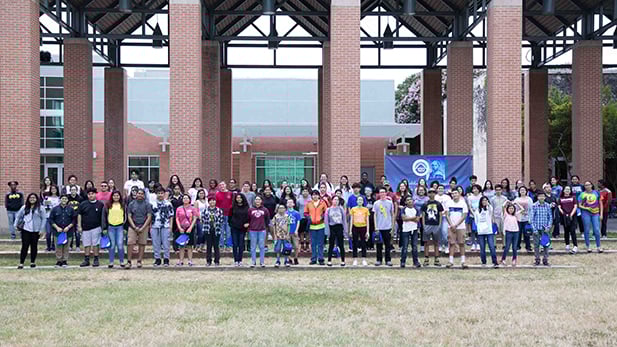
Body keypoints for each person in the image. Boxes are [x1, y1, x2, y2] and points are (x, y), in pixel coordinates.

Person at [14, 193, 46, 269]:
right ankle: (21, 263)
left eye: (34, 197)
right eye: (30, 197)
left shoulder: (40, 208)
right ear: (28, 199)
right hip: (26, 229)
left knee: (34, 246)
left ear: (37, 199)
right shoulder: (24, 207)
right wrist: (15, 225)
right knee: (24, 246)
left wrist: (42, 229)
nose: (32, 199)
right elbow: (18, 216)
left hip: (36, 230)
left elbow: (44, 219)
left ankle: (32, 262)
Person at [76, 188, 104, 267]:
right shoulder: (83, 204)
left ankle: (96, 259)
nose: (91, 195)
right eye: (89, 194)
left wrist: (103, 227)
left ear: (95, 194)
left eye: (92, 193)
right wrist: (79, 226)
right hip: (85, 228)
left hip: (96, 227)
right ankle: (86, 259)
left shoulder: (100, 204)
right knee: (86, 244)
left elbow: (103, 217)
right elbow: (79, 215)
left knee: (96, 244)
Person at [126, 189, 152, 269]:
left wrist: (143, 227)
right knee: (130, 243)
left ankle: (139, 261)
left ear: (144, 195)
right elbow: (129, 216)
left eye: (141, 194)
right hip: (133, 226)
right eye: (138, 193)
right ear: (136, 194)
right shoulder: (131, 204)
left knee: (142, 244)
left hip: (143, 226)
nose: (140, 195)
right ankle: (129, 261)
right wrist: (134, 227)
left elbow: (149, 217)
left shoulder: (147, 204)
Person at [49, 194, 75, 268]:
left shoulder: (71, 209)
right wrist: (57, 227)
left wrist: (68, 227)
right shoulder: (55, 209)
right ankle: (58, 261)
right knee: (58, 247)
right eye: (62, 199)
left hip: (68, 231)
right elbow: (51, 219)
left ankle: (64, 261)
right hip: (57, 231)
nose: (64, 200)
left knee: (66, 247)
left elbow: (74, 220)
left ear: (67, 200)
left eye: (65, 199)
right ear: (60, 200)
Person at [150, 187, 174, 267]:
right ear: (156, 194)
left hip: (165, 226)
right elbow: (150, 216)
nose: (160, 195)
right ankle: (157, 259)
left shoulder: (168, 204)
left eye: (161, 193)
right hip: (154, 226)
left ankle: (166, 259)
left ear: (164, 194)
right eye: (158, 193)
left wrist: (170, 226)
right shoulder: (152, 204)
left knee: (166, 243)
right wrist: (150, 226)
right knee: (156, 243)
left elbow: (171, 216)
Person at [446, 188, 469, 269]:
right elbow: (447, 215)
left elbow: (464, 216)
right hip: (451, 227)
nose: (454, 195)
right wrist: (452, 225)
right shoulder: (448, 203)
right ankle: (450, 261)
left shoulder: (463, 203)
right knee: (451, 244)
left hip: (461, 227)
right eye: (453, 193)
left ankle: (463, 261)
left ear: (459, 194)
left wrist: (456, 225)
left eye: (456, 193)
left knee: (461, 243)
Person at [304, 189, 328, 265]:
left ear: (319, 196)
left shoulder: (323, 203)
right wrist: (309, 218)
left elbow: (326, 212)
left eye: (316, 195)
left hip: (321, 225)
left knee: (320, 243)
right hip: (312, 226)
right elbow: (305, 213)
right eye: (313, 195)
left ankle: (321, 258)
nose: (315, 196)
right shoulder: (308, 203)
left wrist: (322, 217)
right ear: (311, 196)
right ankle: (313, 258)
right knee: (313, 243)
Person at [579, 181, 603, 253]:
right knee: (587, 229)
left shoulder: (597, 193)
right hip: (586, 213)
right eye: (586, 185)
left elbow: (600, 204)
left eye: (589, 185)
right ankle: (588, 246)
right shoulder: (582, 194)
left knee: (597, 230)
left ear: (592, 185)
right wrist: (587, 208)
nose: (587, 186)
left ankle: (598, 246)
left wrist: (601, 214)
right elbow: (579, 205)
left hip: (595, 213)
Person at [530, 191, 553, 266]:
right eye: (540, 196)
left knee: (546, 244)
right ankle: (537, 259)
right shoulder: (534, 206)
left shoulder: (547, 206)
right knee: (536, 245)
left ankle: (545, 260)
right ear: (537, 197)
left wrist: (548, 227)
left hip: (545, 229)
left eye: (543, 196)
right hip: (536, 228)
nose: (541, 197)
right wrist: (534, 229)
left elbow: (550, 217)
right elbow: (531, 219)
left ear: (545, 197)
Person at [373, 187, 395, 266]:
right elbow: (375, 215)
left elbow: (392, 214)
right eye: (380, 192)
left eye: (383, 192)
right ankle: (379, 260)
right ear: (379, 194)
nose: (382, 194)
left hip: (387, 227)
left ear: (386, 193)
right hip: (379, 227)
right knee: (379, 245)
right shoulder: (376, 203)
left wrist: (392, 226)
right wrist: (376, 226)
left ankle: (388, 260)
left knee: (387, 245)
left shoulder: (390, 203)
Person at [421, 189, 443, 267]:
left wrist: (439, 225)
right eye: (430, 192)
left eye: (433, 192)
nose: (431, 194)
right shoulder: (425, 204)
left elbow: (440, 215)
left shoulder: (438, 204)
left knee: (436, 242)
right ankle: (426, 259)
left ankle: (436, 259)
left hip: (436, 224)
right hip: (427, 224)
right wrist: (423, 225)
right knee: (426, 243)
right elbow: (423, 216)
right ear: (428, 194)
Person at [175, 194, 199, 266]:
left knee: (189, 246)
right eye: (184, 198)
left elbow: (195, 218)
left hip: (190, 228)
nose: (185, 199)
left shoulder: (192, 208)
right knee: (181, 246)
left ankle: (190, 261)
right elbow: (177, 218)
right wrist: (179, 228)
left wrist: (190, 228)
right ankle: (181, 261)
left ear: (189, 200)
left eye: (187, 198)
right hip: (181, 229)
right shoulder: (179, 208)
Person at [248, 195, 271, 268]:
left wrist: (265, 227)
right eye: (256, 199)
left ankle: (262, 262)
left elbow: (267, 220)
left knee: (262, 246)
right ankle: (253, 261)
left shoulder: (265, 210)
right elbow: (248, 219)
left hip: (262, 230)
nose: (257, 201)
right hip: (253, 230)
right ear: (254, 201)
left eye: (259, 199)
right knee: (253, 247)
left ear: (261, 201)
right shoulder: (250, 210)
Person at [325, 196, 347, 267]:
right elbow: (326, 221)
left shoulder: (341, 209)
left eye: (337, 200)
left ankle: (343, 260)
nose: (336, 201)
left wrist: (345, 230)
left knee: (341, 244)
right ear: (332, 200)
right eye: (334, 199)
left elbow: (344, 220)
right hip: (332, 227)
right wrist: (327, 231)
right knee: (331, 245)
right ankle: (329, 260)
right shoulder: (328, 210)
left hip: (339, 227)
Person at [475, 196, 497, 267]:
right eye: (483, 200)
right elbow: (476, 220)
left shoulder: (489, 209)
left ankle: (494, 261)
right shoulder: (477, 210)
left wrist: (488, 204)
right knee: (482, 247)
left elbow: (491, 209)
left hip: (489, 231)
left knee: (491, 246)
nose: (484, 202)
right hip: (481, 231)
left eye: (486, 200)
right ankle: (483, 262)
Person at [202, 196, 224, 266]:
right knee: (209, 246)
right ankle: (208, 261)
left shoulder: (219, 210)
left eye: (213, 200)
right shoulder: (205, 210)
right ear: (208, 202)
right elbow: (202, 219)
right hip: (207, 230)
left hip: (216, 230)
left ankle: (217, 261)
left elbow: (221, 220)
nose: (212, 202)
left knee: (216, 246)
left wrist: (216, 223)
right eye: (210, 200)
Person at [400, 196, 420, 268]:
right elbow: (403, 218)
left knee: (414, 246)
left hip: (414, 229)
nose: (409, 201)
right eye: (407, 200)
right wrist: (413, 217)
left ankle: (416, 262)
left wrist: (408, 218)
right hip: (405, 230)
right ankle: (402, 262)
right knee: (405, 247)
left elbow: (417, 219)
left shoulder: (416, 209)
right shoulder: (403, 209)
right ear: (405, 202)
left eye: (410, 200)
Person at [230, 193, 250, 266]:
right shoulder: (233, 207)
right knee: (235, 244)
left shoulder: (246, 207)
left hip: (242, 228)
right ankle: (236, 260)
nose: (238, 199)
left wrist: (247, 223)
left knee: (241, 244)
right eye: (237, 198)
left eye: (240, 198)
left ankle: (240, 260)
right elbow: (230, 217)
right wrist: (231, 224)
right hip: (234, 227)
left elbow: (249, 217)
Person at [558, 186, 578, 254]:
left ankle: (575, 246)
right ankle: (567, 245)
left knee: (572, 231)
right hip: (564, 216)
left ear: (570, 191)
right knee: (566, 231)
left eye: (569, 189)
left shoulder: (573, 197)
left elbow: (575, 206)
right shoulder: (560, 198)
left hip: (572, 216)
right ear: (563, 190)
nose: (567, 190)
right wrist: (564, 214)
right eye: (566, 189)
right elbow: (559, 207)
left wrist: (571, 215)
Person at [513, 186, 533, 252]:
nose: (522, 191)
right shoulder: (516, 199)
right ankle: (517, 246)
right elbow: (514, 209)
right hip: (518, 219)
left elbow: (531, 209)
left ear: (526, 191)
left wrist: (530, 218)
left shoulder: (529, 199)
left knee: (526, 233)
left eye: (524, 190)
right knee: (518, 233)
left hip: (527, 219)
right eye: (521, 190)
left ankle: (528, 247)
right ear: (519, 191)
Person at [215, 181, 234, 249]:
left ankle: (228, 244)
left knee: (228, 230)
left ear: (225, 185)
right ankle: (221, 244)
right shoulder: (217, 194)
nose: (222, 186)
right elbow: (216, 205)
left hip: (228, 214)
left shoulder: (230, 193)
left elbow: (232, 203)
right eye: (220, 185)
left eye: (223, 184)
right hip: (220, 215)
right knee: (221, 230)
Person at [42, 184, 60, 252]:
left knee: (55, 233)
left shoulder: (59, 198)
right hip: (48, 217)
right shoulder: (47, 198)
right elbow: (47, 208)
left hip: (57, 218)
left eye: (55, 189)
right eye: (52, 189)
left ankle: (53, 246)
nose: (53, 190)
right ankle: (48, 246)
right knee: (48, 233)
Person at [435, 185, 452, 254]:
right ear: (437, 189)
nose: (440, 189)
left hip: (445, 217)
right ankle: (440, 245)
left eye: (442, 188)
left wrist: (445, 212)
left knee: (445, 232)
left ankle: (447, 245)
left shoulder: (447, 197)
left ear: (444, 189)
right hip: (437, 217)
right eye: (439, 188)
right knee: (438, 233)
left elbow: (449, 207)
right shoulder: (435, 197)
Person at [466, 184, 483, 251]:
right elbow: (469, 207)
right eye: (473, 189)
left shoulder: (481, 196)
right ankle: (473, 244)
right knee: (473, 230)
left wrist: (478, 214)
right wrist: (473, 214)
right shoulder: (470, 197)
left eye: (476, 189)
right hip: (472, 215)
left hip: (480, 215)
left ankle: (478, 244)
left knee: (478, 230)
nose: (475, 190)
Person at [285, 198, 302, 265]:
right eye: (288, 202)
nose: (289, 204)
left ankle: (295, 258)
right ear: (286, 204)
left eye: (291, 202)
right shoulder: (285, 213)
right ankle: (289, 259)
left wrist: (296, 230)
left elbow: (298, 221)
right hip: (287, 232)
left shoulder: (296, 213)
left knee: (296, 246)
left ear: (294, 204)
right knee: (288, 246)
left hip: (294, 231)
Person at [67, 185, 83, 251]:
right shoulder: (67, 198)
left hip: (77, 217)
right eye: (72, 190)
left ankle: (78, 246)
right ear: (70, 191)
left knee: (77, 233)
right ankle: (70, 246)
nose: (73, 191)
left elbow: (81, 208)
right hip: (70, 217)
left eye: (74, 190)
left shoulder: (80, 198)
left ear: (77, 191)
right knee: (70, 232)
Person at [169, 184, 184, 253]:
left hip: (182, 217)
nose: (177, 190)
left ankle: (182, 246)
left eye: (178, 189)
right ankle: (175, 248)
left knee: (182, 232)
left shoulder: (183, 197)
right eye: (175, 189)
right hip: (174, 217)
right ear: (173, 190)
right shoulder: (171, 198)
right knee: (175, 233)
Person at [296, 187, 311, 252]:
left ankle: (307, 245)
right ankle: (302, 245)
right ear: (301, 192)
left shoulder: (311, 200)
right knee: (301, 232)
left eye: (306, 191)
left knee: (307, 232)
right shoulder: (299, 200)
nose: (305, 192)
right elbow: (297, 206)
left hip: (308, 217)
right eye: (304, 191)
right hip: (301, 217)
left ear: (308, 192)